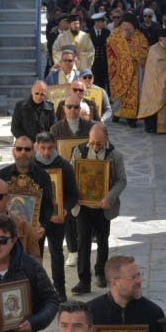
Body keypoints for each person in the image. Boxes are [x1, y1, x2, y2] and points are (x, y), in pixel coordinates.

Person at [69, 122, 127, 294]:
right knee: (83, 241)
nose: (94, 147)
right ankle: (83, 280)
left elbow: (121, 181)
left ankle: (101, 273)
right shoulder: (79, 150)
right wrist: (75, 196)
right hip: (83, 206)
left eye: (99, 144)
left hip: (103, 206)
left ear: (106, 139)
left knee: (103, 240)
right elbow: (72, 176)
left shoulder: (115, 155)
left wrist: (109, 197)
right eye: (92, 142)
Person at [34, 131, 80, 302]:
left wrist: (66, 208)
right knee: (35, 255)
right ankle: (37, 290)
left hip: (57, 220)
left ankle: (59, 290)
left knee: (56, 253)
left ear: (55, 147)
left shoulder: (65, 167)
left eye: (49, 148)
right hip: (36, 221)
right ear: (36, 147)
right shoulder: (31, 166)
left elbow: (73, 194)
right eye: (42, 148)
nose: (46, 152)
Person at [0, 136, 56, 236]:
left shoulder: (43, 176)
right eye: (19, 149)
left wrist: (43, 227)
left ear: (33, 152)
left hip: (34, 234)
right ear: (13, 151)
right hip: (6, 234)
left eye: (27, 149)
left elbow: (48, 206)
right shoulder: (2, 175)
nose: (23, 152)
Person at [107, 13, 149, 127]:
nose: (125, 28)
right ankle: (117, 113)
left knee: (134, 94)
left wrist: (131, 48)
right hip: (119, 70)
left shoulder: (140, 36)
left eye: (128, 25)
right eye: (124, 25)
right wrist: (123, 39)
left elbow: (144, 52)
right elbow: (110, 46)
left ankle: (131, 117)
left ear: (133, 25)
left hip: (135, 71)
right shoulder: (116, 34)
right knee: (119, 94)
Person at [137, 27, 166, 134]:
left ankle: (165, 128)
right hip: (153, 84)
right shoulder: (154, 49)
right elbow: (159, 64)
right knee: (153, 103)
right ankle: (151, 127)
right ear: (161, 38)